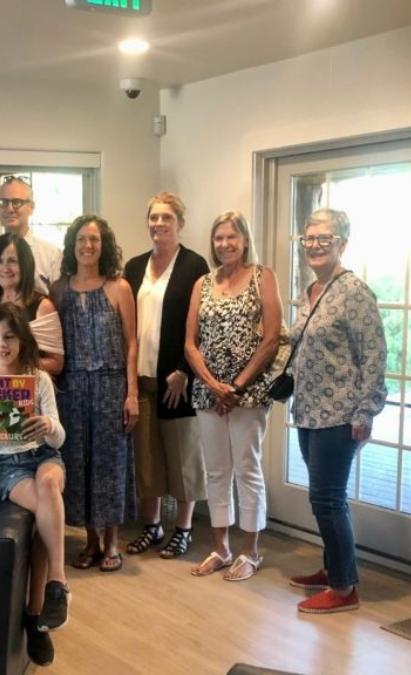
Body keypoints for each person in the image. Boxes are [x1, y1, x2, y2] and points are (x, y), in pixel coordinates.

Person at [288, 208, 386, 613]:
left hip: (340, 414)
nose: (314, 245)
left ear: (342, 244)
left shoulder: (354, 292)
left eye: (323, 239)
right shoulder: (312, 291)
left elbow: (375, 355)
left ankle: (345, 589)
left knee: (327, 499)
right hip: (309, 411)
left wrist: (366, 411)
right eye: (308, 238)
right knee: (324, 499)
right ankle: (334, 567)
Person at [0, 303, 69, 667]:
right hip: (9, 465)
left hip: (43, 456)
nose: (2, 344)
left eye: (9, 336)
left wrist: (48, 426)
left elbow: (58, 438)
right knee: (45, 508)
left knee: (50, 484)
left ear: (21, 340)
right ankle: (40, 611)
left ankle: (57, 581)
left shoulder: (39, 379)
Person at [184, 211, 285, 582]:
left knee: (247, 468)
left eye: (232, 237)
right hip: (208, 392)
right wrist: (213, 385)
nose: (225, 244)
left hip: (249, 393)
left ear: (245, 240)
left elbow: (271, 337)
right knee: (216, 470)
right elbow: (190, 343)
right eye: (218, 238)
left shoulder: (263, 277)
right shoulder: (203, 283)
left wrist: (236, 386)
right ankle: (221, 547)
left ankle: (251, 551)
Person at [122, 193, 210, 560]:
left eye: (167, 218)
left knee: (183, 457)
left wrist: (185, 371)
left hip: (178, 381)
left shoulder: (195, 266)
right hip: (142, 379)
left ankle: (184, 528)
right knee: (147, 459)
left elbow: (204, 325)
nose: (159, 224)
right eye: (154, 217)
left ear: (180, 224)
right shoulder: (134, 266)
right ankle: (153, 526)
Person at [52, 215, 138, 573]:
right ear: (72, 245)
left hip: (110, 384)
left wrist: (132, 394)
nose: (88, 246)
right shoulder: (58, 290)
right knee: (79, 463)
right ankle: (90, 539)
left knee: (111, 463)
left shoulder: (119, 288)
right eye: (82, 240)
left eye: (95, 240)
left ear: (104, 246)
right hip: (71, 388)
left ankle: (113, 540)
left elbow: (132, 343)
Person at [0, 233, 64, 375]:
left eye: (12, 261)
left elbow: (56, 363)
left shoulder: (43, 307)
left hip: (33, 390)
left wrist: (15, 365)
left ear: (25, 265)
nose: (5, 268)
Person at [0, 176, 63, 301]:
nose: (9, 209)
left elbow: (60, 303)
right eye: (3, 202)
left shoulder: (51, 255)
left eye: (17, 202)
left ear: (31, 207)